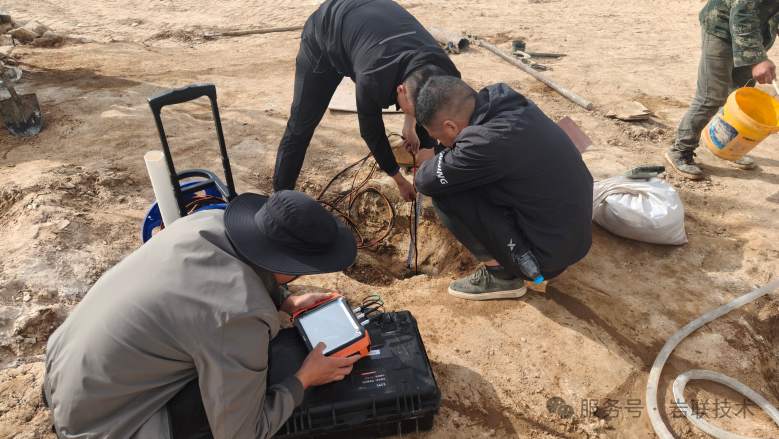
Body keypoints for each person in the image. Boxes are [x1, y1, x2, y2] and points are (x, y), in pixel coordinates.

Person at [43, 191, 362, 439]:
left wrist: (284, 300)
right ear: (294, 266)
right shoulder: (240, 315)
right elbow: (241, 433)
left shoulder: (203, 223)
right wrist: (304, 379)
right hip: (101, 426)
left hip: (63, 377)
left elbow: (212, 284)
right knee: (261, 375)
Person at [412, 77, 593, 300]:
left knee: (446, 194)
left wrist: (434, 160)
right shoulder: (512, 106)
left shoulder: (485, 141)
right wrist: (447, 154)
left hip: (544, 263)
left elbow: (425, 181)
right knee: (468, 176)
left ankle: (501, 277)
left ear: (450, 126)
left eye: (439, 138)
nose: (441, 144)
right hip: (575, 241)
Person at [272, 0, 460, 202]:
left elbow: (419, 85)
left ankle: (432, 183)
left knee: (425, 119)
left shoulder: (446, 72)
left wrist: (411, 125)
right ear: (400, 89)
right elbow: (371, 132)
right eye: (413, 112)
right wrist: (399, 180)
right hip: (327, 31)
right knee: (301, 124)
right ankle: (279, 200)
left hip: (371, 27)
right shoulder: (372, 79)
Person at [665, 0, 779, 179]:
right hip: (722, 27)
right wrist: (757, 59)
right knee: (712, 95)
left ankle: (724, 145)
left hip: (755, 33)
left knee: (739, 95)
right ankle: (680, 150)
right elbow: (742, 13)